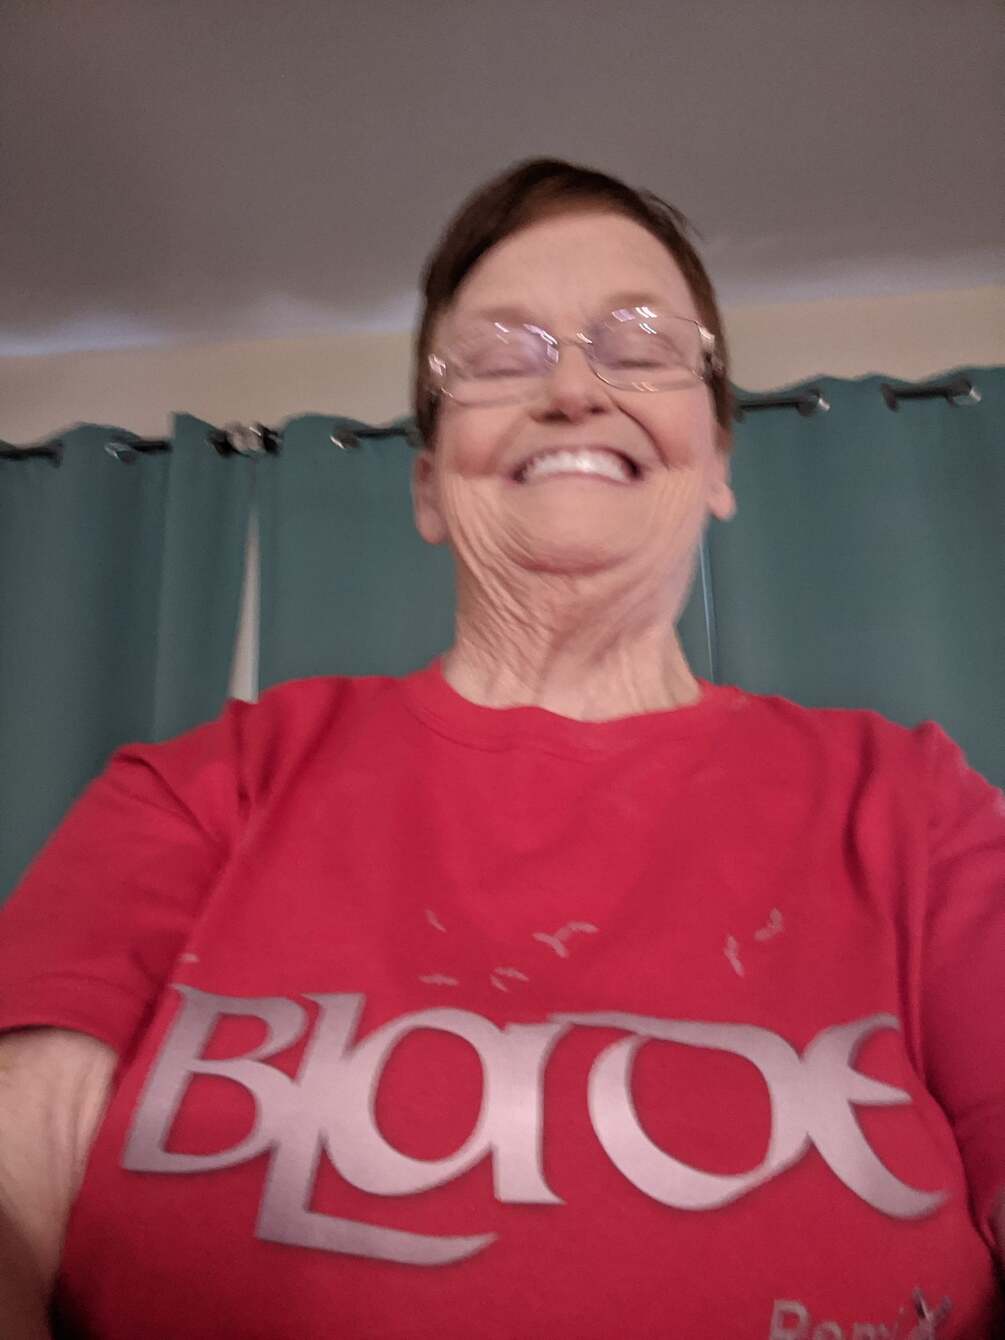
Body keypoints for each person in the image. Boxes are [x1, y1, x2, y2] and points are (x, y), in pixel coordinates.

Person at [0, 157, 1002, 1340]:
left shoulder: (918, 807)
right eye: (499, 354)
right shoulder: (197, 791)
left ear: (720, 463)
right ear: (428, 485)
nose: (575, 386)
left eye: (640, 344)